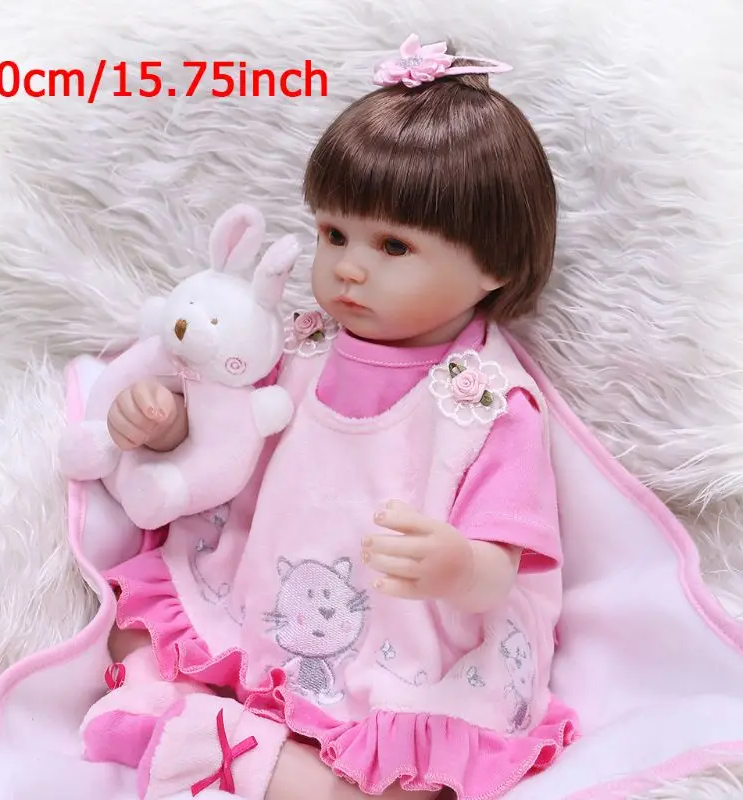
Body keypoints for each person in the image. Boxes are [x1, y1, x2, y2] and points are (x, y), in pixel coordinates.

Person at [79, 33, 578, 800]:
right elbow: (228, 434)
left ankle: (261, 762)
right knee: (139, 618)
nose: (347, 267)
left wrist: (457, 565)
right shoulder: (302, 340)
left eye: (392, 246)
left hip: (411, 626)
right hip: (262, 572)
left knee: (417, 770)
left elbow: (501, 565)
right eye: (333, 234)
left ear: (495, 264)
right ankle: (174, 703)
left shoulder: (488, 401)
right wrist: (164, 425)